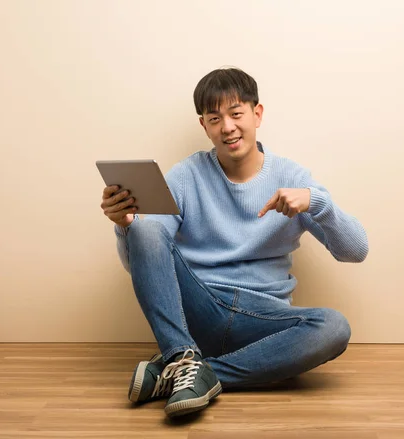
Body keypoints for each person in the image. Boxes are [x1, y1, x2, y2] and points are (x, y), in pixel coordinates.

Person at [99, 67, 369, 418]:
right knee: (146, 227)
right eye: (215, 118)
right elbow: (148, 261)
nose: (227, 127)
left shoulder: (292, 177)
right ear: (205, 126)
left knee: (334, 327)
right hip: (200, 310)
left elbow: (356, 251)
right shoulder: (185, 176)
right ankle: (182, 358)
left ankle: (190, 372)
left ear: (257, 115)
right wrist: (125, 226)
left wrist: (318, 203)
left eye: (236, 114)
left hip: (263, 321)